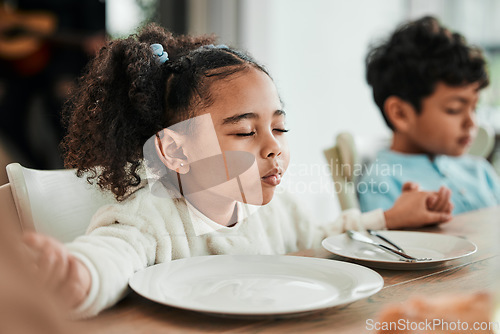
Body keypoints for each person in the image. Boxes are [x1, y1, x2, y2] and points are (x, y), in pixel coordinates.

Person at [23, 23, 453, 319]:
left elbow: (326, 236)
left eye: (280, 127)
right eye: (246, 132)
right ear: (175, 151)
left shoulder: (273, 211)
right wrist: (76, 275)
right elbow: (110, 256)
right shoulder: (151, 219)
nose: (273, 147)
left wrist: (389, 218)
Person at [359, 16, 500, 215]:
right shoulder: (382, 183)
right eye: (454, 109)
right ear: (400, 114)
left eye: (474, 109)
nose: (471, 123)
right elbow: (386, 244)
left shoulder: (480, 172)